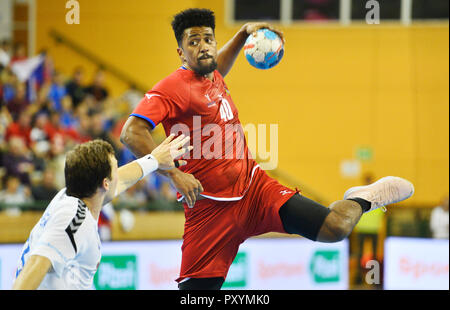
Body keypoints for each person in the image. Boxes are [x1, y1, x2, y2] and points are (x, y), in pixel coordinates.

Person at [120, 8, 415, 290]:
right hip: (210, 212)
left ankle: (363, 199)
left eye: (208, 39)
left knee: (337, 227)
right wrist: (173, 174)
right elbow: (131, 132)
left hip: (256, 190)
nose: (203, 47)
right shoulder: (173, 88)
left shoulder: (212, 76)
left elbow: (218, 66)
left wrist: (243, 34)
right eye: (193, 42)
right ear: (181, 52)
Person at [12, 134, 191, 289]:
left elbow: (121, 180)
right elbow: (36, 263)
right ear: (105, 183)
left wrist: (154, 159)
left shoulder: (72, 197)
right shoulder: (75, 218)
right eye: (115, 169)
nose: (118, 175)